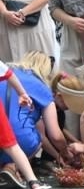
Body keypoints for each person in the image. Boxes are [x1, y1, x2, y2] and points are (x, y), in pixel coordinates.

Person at [0, 51, 67, 180]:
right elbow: (55, 135)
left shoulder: (5, 74)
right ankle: (12, 166)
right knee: (35, 137)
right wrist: (64, 152)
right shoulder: (42, 89)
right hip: (18, 143)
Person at [0, 56, 52, 189]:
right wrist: (22, 93)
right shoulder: (39, 85)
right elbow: (8, 74)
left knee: (12, 146)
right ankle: (34, 182)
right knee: (12, 146)